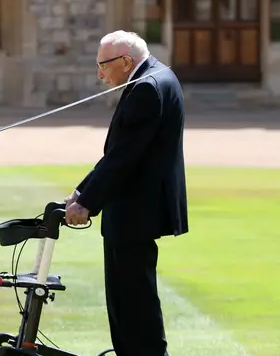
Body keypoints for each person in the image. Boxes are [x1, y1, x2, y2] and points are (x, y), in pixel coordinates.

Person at [64, 31, 188, 356]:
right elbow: (119, 152)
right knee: (124, 300)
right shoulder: (155, 75)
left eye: (102, 66)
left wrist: (86, 203)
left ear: (125, 62)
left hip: (136, 211)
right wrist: (81, 192)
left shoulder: (147, 87)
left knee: (134, 302)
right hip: (133, 210)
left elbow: (124, 157)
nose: (99, 74)